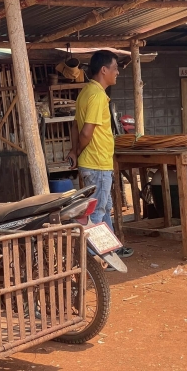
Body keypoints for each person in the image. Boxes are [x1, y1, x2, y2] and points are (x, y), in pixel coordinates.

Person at [67, 50, 133, 259]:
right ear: (104, 70)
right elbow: (86, 132)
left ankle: (111, 248)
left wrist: (74, 151)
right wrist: (78, 150)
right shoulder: (96, 95)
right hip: (97, 163)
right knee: (97, 211)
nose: (117, 73)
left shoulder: (85, 92)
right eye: (115, 68)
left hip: (94, 163)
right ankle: (92, 258)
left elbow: (75, 126)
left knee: (104, 207)